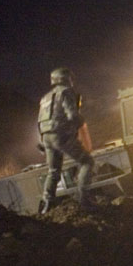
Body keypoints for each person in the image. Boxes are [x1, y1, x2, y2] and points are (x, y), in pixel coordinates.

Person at [37, 67, 94, 212]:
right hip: (60, 135)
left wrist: (43, 142)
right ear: (66, 79)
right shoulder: (65, 92)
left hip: (46, 138)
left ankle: (47, 204)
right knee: (87, 162)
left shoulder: (45, 98)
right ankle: (84, 200)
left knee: (53, 171)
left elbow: (40, 122)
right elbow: (72, 116)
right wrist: (81, 125)